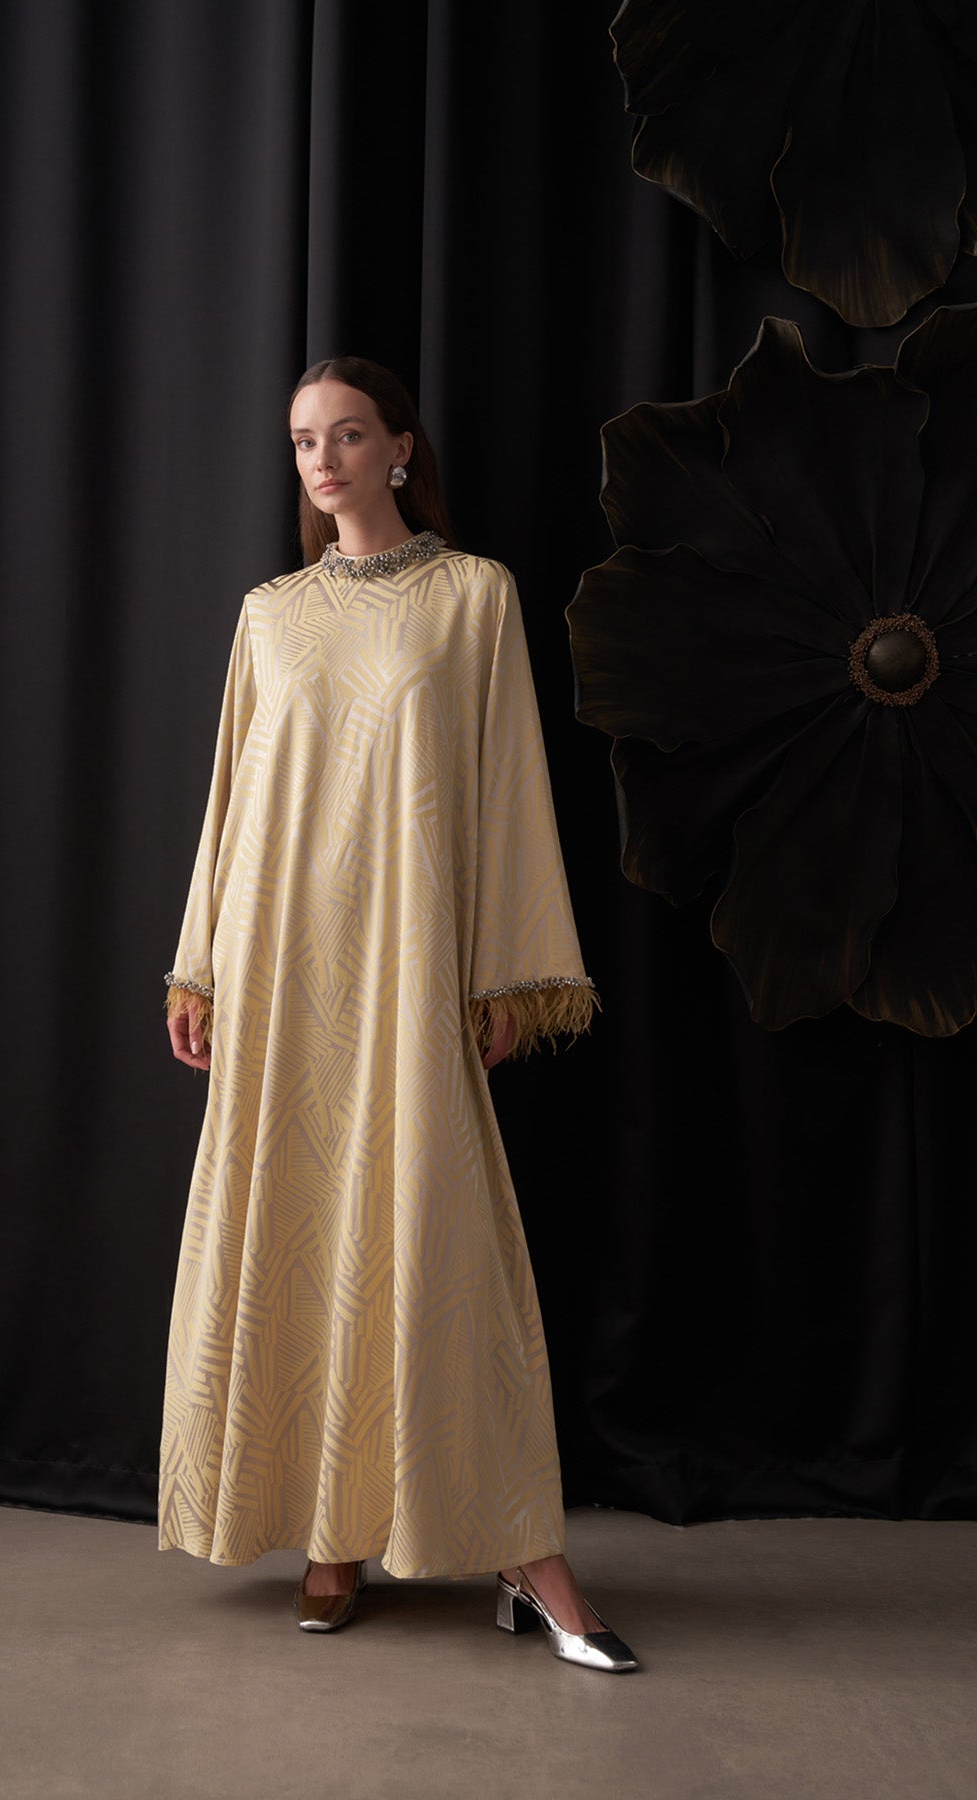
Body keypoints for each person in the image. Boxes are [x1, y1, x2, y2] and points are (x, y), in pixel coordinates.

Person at [159, 356, 638, 1672]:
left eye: (348, 434)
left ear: (400, 449)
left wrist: (504, 973)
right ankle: (332, 1535)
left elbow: (506, 785)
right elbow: (228, 802)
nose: (322, 460)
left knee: (433, 1233)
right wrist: (199, 967)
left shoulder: (472, 597)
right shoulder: (269, 615)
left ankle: (522, 1552)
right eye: (304, 440)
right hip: (279, 962)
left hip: (409, 957)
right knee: (300, 1219)